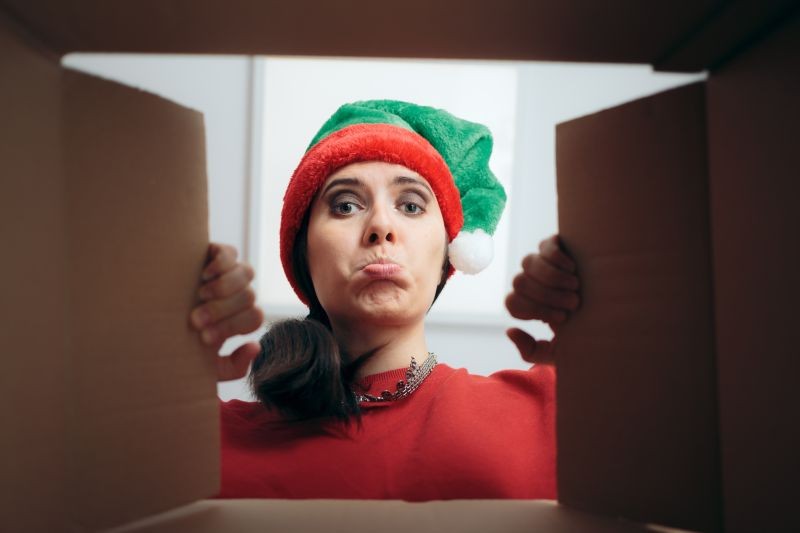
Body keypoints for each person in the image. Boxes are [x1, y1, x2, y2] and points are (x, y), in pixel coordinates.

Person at [188, 100, 580, 500]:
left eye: (411, 205)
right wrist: (165, 371)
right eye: (345, 206)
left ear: (448, 252)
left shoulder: (555, 409)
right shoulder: (198, 441)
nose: (380, 226)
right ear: (302, 250)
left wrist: (603, 363)